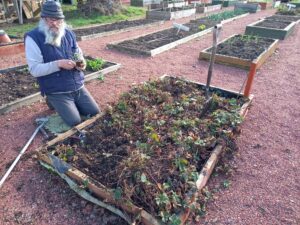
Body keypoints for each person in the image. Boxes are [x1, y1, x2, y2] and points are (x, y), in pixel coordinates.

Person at [25, 0, 100, 127]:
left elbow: (78, 54)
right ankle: (52, 100)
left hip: (77, 86)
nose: (55, 24)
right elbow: (34, 69)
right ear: (43, 19)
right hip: (56, 89)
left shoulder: (69, 33)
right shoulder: (33, 37)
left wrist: (81, 63)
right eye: (51, 20)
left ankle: (68, 103)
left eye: (58, 20)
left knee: (94, 112)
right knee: (74, 121)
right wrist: (58, 64)